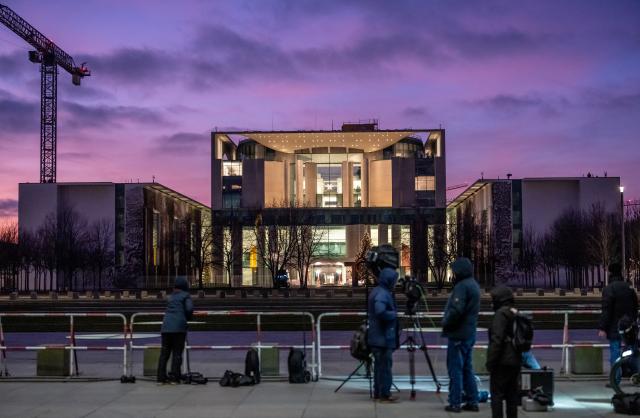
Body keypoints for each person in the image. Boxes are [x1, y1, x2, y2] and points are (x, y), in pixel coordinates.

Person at [442, 257, 481, 413]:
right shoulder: (474, 285)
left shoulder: (462, 287)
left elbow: (457, 310)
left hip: (458, 334)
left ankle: (455, 402)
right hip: (469, 333)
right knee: (467, 369)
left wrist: (446, 321)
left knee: (455, 369)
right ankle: (473, 400)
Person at [598, 262, 638, 386]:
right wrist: (633, 321)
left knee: (615, 353)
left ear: (610, 273)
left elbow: (606, 310)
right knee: (633, 351)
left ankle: (616, 379)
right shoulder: (629, 287)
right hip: (629, 326)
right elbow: (635, 307)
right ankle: (638, 374)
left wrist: (602, 327)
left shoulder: (609, 289)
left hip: (615, 327)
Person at [487, 286, 521, 418]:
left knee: (497, 396)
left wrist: (491, 362)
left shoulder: (501, 314)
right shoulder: (514, 312)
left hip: (502, 361)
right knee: (512, 396)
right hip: (515, 360)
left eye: (494, 299)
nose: (491, 302)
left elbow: (497, 340)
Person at [367, 267, 400, 403]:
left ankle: (378, 392)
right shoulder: (383, 293)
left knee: (379, 367)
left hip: (377, 337)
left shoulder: (377, 291)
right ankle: (384, 394)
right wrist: (394, 315)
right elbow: (380, 311)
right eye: (394, 280)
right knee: (385, 367)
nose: (395, 283)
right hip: (383, 338)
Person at [157, 276, 194, 384]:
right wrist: (187, 318)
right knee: (177, 353)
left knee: (164, 353)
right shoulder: (186, 296)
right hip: (178, 328)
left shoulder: (170, 297)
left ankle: (161, 377)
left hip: (165, 328)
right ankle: (174, 377)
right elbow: (189, 308)